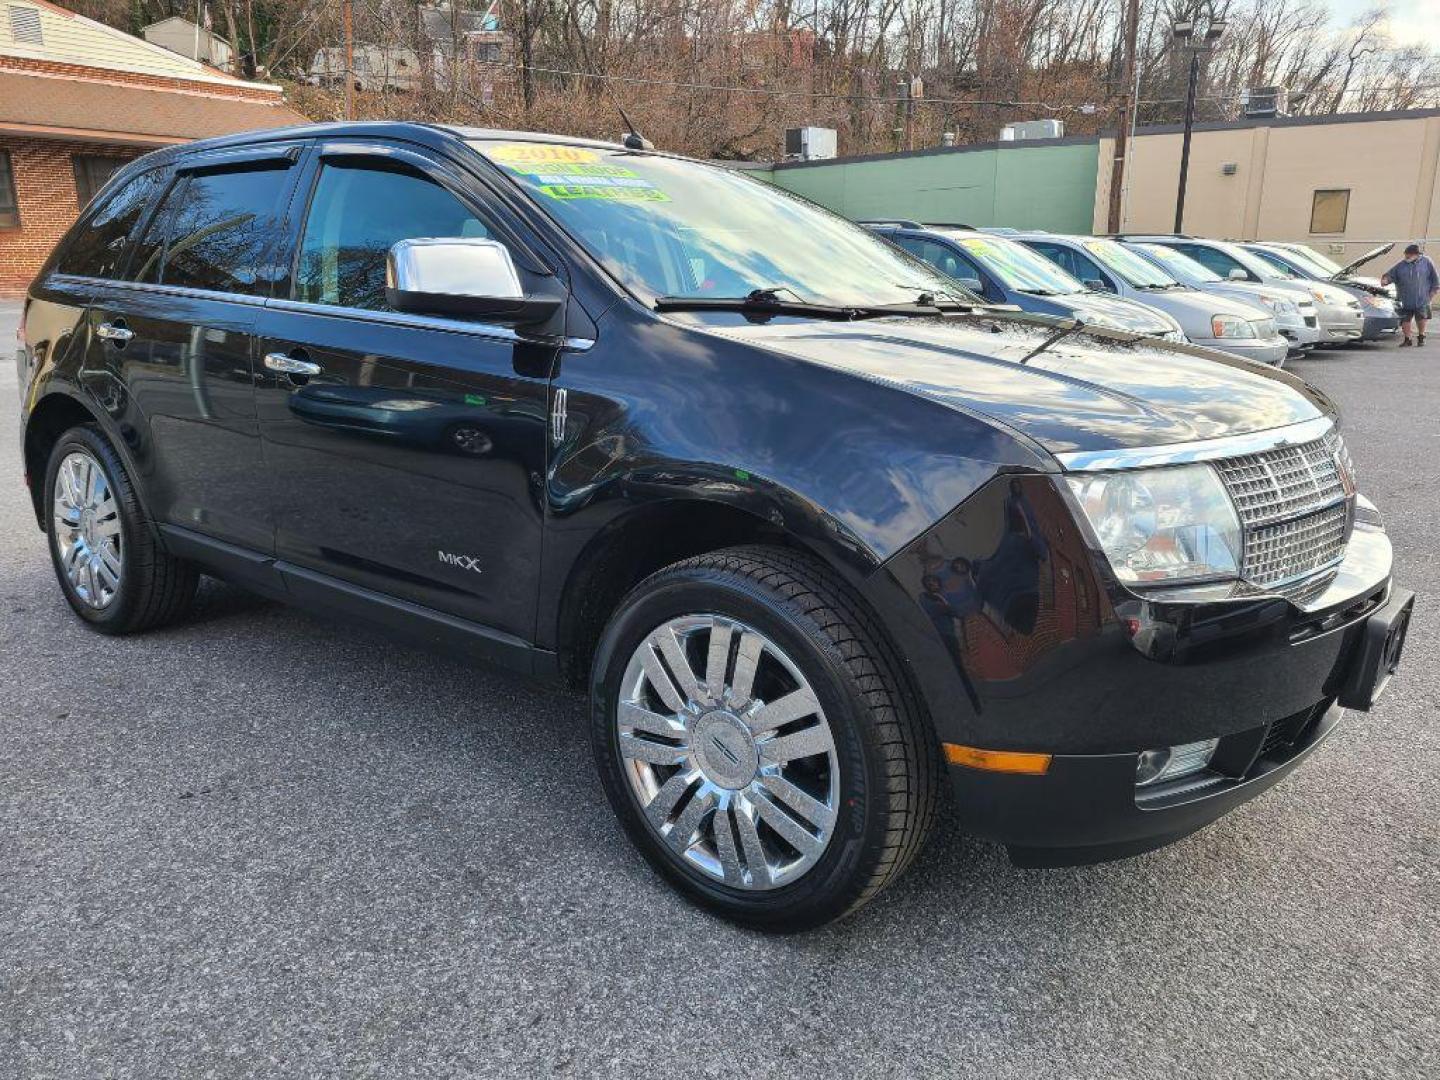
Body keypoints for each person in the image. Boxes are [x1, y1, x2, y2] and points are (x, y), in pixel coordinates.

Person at [1381, 243, 1440, 347]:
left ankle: (1421, 336)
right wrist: (1386, 280)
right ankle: (1407, 339)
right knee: (1405, 319)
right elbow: (1390, 275)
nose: (1407, 256)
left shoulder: (1426, 262)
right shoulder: (1401, 265)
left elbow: (1435, 278)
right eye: (1406, 254)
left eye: (1409, 254)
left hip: (1422, 298)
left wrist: (1433, 291)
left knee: (1421, 318)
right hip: (1405, 299)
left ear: (1417, 255)